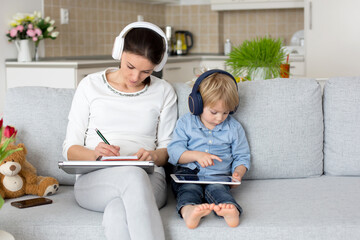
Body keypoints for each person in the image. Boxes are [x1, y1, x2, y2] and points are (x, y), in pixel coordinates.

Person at [62, 22, 177, 240]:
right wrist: (96, 154)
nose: (135, 78)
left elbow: (168, 148)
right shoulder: (89, 85)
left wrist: (153, 155)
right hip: (94, 180)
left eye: (146, 72)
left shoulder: (164, 92)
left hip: (150, 180)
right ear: (119, 52)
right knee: (131, 175)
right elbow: (70, 149)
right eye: (130, 67)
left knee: (117, 210)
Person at [167, 69, 250, 229]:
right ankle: (189, 211)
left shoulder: (234, 128)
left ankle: (230, 210)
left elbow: (242, 156)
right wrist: (195, 155)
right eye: (214, 112)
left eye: (225, 112)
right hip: (188, 176)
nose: (220, 118)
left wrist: (238, 173)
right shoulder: (186, 123)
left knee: (220, 191)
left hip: (218, 177)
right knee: (189, 191)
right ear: (197, 104)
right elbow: (173, 152)